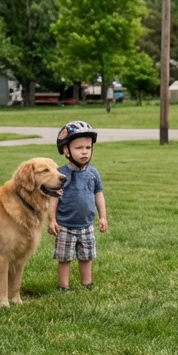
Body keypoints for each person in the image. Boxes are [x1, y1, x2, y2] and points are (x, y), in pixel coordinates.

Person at [48, 121, 108, 291]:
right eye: (79, 148)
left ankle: (87, 283)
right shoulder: (61, 175)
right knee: (64, 258)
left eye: (88, 148)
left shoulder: (93, 173)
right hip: (65, 226)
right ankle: (63, 286)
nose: (84, 152)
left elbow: (98, 194)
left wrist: (103, 216)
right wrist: (52, 219)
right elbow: (53, 199)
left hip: (86, 226)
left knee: (86, 256)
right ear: (66, 150)